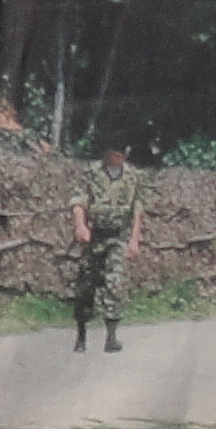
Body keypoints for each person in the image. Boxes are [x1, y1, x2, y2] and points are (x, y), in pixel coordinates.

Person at [68, 146, 147, 353]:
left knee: (116, 282)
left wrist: (134, 239)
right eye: (115, 153)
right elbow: (78, 201)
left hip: (118, 236)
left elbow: (137, 209)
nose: (119, 157)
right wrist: (80, 225)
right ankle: (81, 336)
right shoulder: (92, 172)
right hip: (94, 235)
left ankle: (111, 337)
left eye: (122, 154)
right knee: (86, 285)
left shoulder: (133, 176)